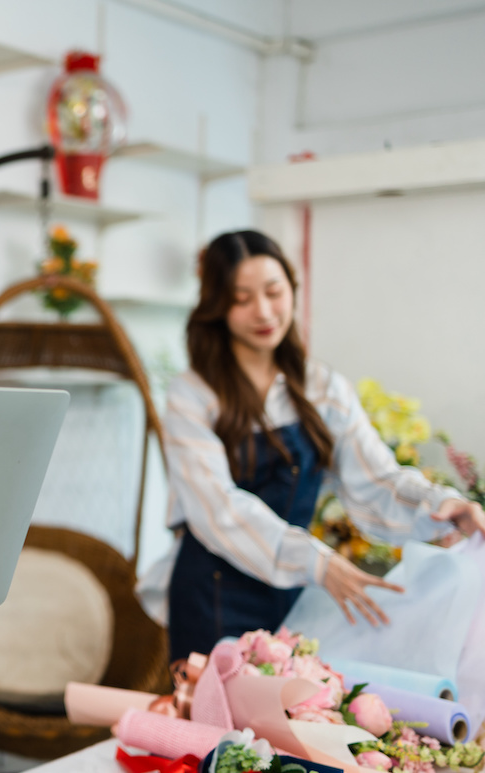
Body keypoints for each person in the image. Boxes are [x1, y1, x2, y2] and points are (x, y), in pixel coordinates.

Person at [136, 229, 485, 662]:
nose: (263, 311)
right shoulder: (192, 395)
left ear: (292, 291)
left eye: (273, 291)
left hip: (292, 594)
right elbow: (217, 510)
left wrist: (445, 506)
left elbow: (376, 479)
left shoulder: (322, 387)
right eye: (241, 298)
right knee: (211, 726)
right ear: (216, 306)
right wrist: (318, 562)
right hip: (212, 595)